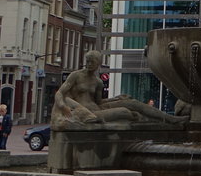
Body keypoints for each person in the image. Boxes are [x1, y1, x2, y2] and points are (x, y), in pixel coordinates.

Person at [53, 50, 187, 127]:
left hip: (97, 108)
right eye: (87, 61)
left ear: (98, 64)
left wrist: (117, 98)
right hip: (90, 113)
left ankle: (170, 119)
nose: (88, 64)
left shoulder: (98, 82)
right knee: (125, 112)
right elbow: (60, 93)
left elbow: (99, 103)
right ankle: (161, 123)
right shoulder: (75, 76)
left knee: (132, 103)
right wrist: (62, 106)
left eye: (91, 62)